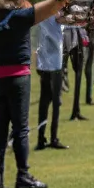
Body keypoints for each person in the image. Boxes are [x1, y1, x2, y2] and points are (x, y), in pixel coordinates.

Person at [0, 0, 76, 188]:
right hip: (17, 79)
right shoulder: (21, 17)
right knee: (21, 129)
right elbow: (54, 5)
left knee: (0, 129)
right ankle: (22, 176)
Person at [35, 14, 67, 151]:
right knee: (54, 102)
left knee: (44, 103)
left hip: (45, 65)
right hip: (53, 66)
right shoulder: (53, 16)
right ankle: (52, 138)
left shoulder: (46, 16)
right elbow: (66, 18)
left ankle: (41, 139)